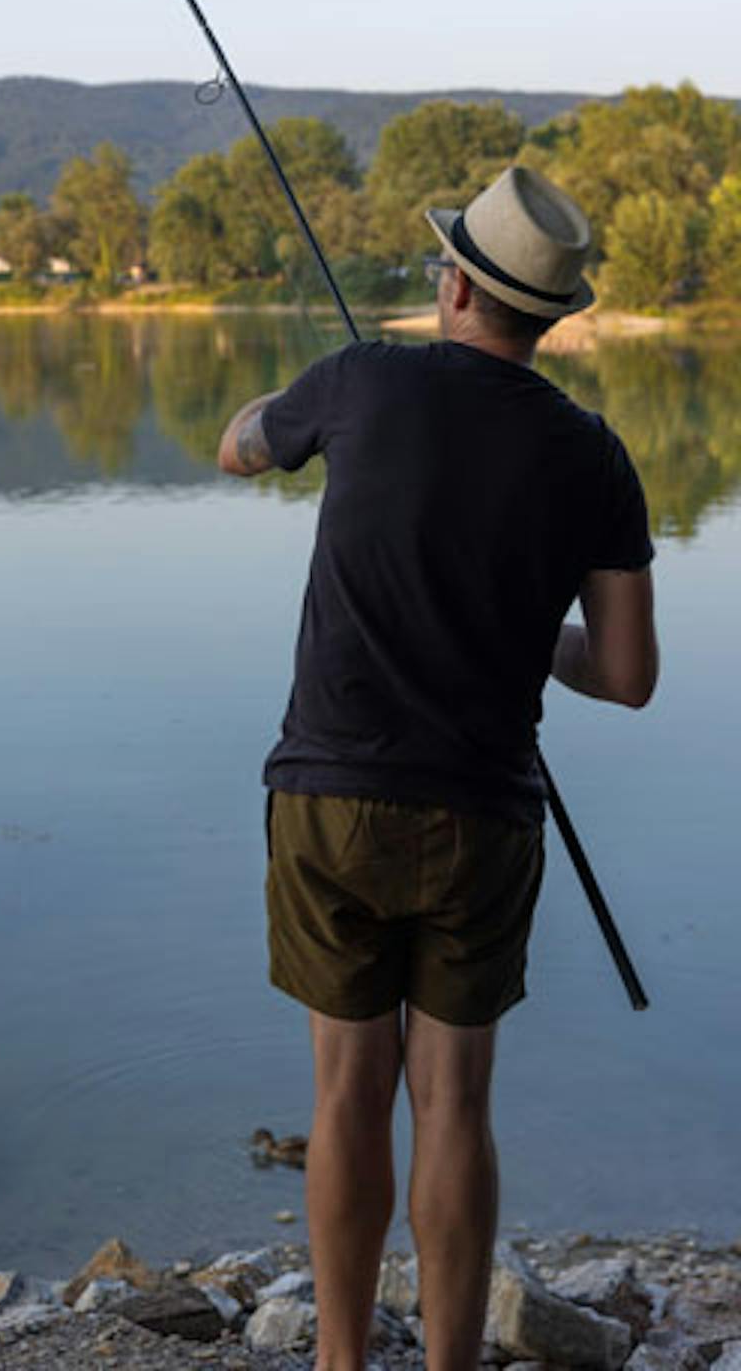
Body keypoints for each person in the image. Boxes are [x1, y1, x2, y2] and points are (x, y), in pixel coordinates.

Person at [217, 163, 658, 1371]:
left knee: (347, 1090)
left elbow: (238, 448)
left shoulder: (363, 380)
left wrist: (285, 410)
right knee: (455, 1103)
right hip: (484, 816)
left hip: (330, 800)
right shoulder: (596, 457)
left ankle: (345, 1363)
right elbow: (625, 674)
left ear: (455, 282)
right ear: (548, 313)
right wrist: (525, 634)